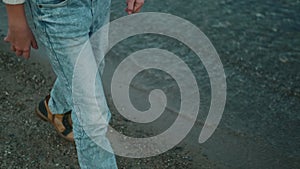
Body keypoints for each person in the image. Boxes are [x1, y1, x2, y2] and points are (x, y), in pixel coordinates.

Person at [3, 0, 144, 168]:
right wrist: (16, 17)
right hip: (59, 12)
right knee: (93, 117)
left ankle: (54, 107)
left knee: (95, 69)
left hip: (100, 4)